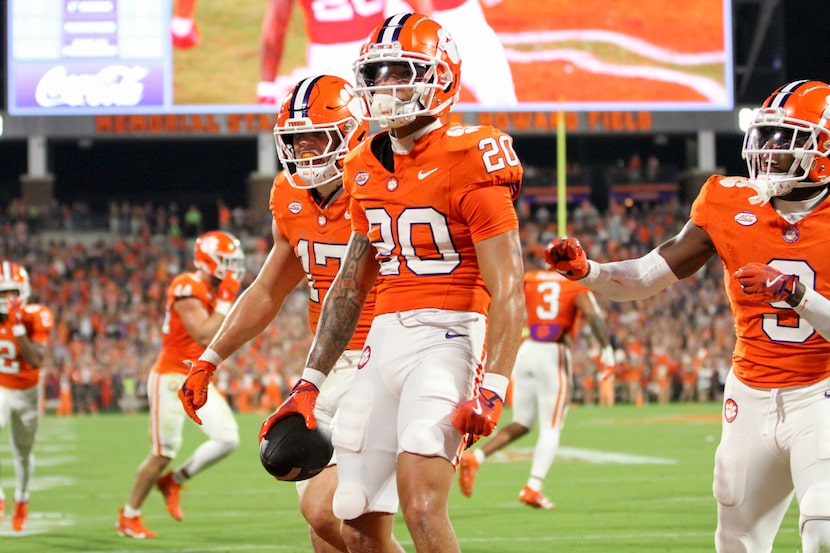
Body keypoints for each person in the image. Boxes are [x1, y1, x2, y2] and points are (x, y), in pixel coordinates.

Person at [261, 13, 524, 552]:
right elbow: (350, 285)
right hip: (382, 342)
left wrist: (493, 386)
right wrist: (310, 381)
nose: (387, 87)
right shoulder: (361, 163)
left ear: (442, 76)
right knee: (353, 516)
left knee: (423, 507)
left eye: (401, 72)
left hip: (448, 336)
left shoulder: (474, 153)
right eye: (377, 75)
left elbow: (509, 285)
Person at [546, 79, 830, 553]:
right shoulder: (727, 201)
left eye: (788, 140)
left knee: (822, 533)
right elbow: (644, 276)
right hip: (749, 393)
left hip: (819, 394)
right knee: (736, 541)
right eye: (768, 137)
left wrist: (796, 294)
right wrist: (588, 271)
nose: (769, 151)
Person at [179, 74, 376, 553]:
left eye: (318, 138)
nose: (306, 151)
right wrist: (211, 357)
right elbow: (267, 289)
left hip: (382, 356)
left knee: (326, 511)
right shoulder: (289, 195)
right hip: (328, 363)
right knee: (322, 528)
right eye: (297, 140)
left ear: (352, 133)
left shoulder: (379, 184)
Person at [116, 230, 245, 539]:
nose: (232, 270)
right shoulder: (188, 285)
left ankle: (174, 480)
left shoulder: (211, 289)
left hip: (196, 376)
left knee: (228, 438)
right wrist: (227, 300)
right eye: (226, 263)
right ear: (208, 261)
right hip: (171, 377)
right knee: (162, 453)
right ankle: (129, 516)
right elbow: (203, 333)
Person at [457, 258, 615, 508]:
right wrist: (607, 349)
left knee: (522, 422)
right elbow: (593, 315)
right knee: (551, 427)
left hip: (527, 350)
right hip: (553, 353)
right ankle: (533, 486)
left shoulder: (531, 279)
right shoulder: (574, 285)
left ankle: (477, 456)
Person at [257, 0, 516, 107]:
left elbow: (274, 30)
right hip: (372, 53)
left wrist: (266, 86)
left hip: (329, 58)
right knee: (503, 106)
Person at [0, 261, 54, 532]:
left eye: (12, 292)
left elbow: (35, 360)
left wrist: (18, 326)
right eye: (2, 293)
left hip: (28, 391)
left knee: (22, 452)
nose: (8, 299)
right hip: (0, 387)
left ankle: (21, 498)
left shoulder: (36, 315)